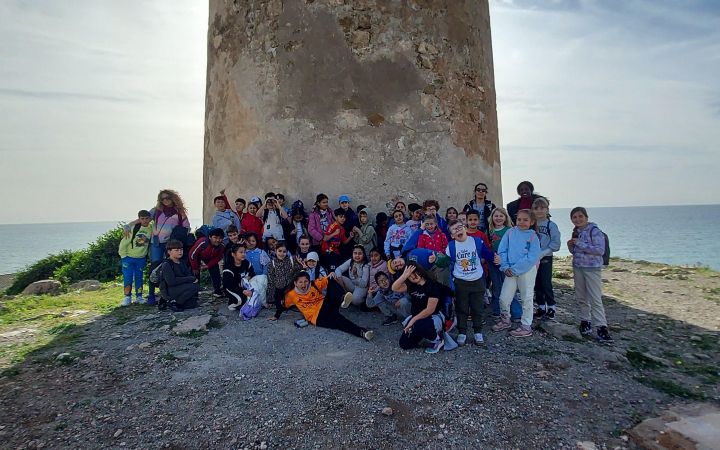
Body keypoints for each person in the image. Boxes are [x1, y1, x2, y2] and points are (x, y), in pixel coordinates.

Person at [124, 189, 191, 306]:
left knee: (168, 268)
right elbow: (143, 219)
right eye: (162, 199)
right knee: (154, 267)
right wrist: (129, 225)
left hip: (169, 245)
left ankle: (165, 294)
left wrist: (177, 240)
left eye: (167, 198)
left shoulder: (180, 213)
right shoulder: (156, 211)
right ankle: (151, 294)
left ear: (173, 198)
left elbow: (187, 228)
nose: (165, 200)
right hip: (156, 243)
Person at [271, 271, 375, 341]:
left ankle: (342, 298)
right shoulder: (291, 295)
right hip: (317, 317)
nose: (303, 284)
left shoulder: (314, 284)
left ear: (309, 281)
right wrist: (276, 316)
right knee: (341, 322)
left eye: (306, 281)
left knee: (330, 280)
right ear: (295, 283)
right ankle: (362, 332)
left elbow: (327, 279)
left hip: (326, 305)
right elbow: (283, 306)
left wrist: (332, 274)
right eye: (300, 282)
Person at [445, 220, 499, 346]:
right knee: (461, 308)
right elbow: (445, 262)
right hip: (460, 282)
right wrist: (436, 260)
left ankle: (478, 331)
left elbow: (486, 252)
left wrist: (494, 258)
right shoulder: (451, 246)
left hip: (477, 281)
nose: (458, 230)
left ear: (465, 228)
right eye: (454, 229)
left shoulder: (476, 241)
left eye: (460, 227)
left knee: (477, 308)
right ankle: (462, 332)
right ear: (452, 235)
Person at [492, 209, 541, 337]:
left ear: (532, 222)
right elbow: (503, 250)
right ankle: (505, 320)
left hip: (526, 271)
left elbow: (532, 257)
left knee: (526, 298)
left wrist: (515, 269)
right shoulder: (510, 232)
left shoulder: (533, 236)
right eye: (519, 219)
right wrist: (505, 266)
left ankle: (526, 325)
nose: (522, 222)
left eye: (525, 220)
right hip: (509, 271)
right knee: (504, 298)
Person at [568, 207, 613, 343]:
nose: (578, 219)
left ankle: (601, 327)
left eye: (580, 216)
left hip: (592, 268)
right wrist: (571, 245)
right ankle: (585, 321)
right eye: (574, 217)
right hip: (578, 267)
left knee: (595, 298)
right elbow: (575, 251)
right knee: (581, 297)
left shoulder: (595, 231)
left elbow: (600, 250)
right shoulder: (576, 232)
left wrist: (580, 243)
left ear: (586, 217)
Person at [391, 263, 449, 353]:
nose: (413, 276)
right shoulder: (411, 286)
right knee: (404, 344)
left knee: (418, 325)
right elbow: (394, 288)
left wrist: (412, 321)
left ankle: (438, 340)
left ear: (420, 271)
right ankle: (424, 334)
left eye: (414, 272)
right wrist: (404, 275)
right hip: (417, 318)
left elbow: (430, 310)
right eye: (409, 276)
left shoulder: (433, 285)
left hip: (433, 317)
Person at [487, 207, 522, 321]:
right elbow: (488, 246)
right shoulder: (489, 230)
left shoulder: (510, 230)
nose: (498, 218)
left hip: (506, 262)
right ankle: (498, 311)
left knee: (509, 287)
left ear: (505, 217)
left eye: (501, 216)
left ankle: (516, 312)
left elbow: (514, 247)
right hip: (493, 262)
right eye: (496, 216)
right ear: (492, 217)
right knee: (496, 287)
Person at [532, 197, 561, 320]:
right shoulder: (531, 225)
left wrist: (544, 253)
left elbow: (556, 243)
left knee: (546, 283)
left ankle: (551, 307)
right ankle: (541, 306)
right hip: (533, 259)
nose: (539, 211)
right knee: (536, 283)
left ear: (547, 210)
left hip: (546, 258)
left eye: (542, 208)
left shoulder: (551, 225)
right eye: (536, 208)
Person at [118, 210, 153, 306]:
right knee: (128, 278)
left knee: (139, 278)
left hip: (141, 258)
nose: (145, 220)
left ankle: (139, 296)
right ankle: (127, 297)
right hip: (128, 258)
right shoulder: (134, 228)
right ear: (139, 219)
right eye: (142, 219)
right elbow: (123, 243)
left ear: (150, 219)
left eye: (147, 218)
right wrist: (123, 256)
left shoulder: (151, 228)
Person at [160, 239, 200, 312]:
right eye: (176, 250)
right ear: (169, 252)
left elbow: (188, 274)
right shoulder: (167, 264)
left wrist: (192, 279)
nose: (180, 252)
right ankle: (174, 302)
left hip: (180, 287)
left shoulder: (182, 262)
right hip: (170, 289)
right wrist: (190, 279)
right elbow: (171, 281)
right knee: (195, 287)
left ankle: (177, 302)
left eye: (181, 249)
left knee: (192, 304)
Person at [188, 228, 226, 297]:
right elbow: (192, 254)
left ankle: (217, 291)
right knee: (195, 274)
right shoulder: (202, 242)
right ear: (210, 237)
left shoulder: (222, 246)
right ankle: (194, 294)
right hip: (197, 256)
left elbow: (218, 257)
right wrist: (195, 268)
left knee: (215, 271)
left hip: (210, 257)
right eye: (215, 237)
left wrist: (207, 266)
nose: (217, 240)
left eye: (220, 238)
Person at [223, 242, 256, 310]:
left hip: (243, 286)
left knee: (253, 296)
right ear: (233, 254)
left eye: (244, 252)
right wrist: (243, 291)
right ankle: (232, 304)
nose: (243, 254)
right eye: (241, 252)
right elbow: (229, 285)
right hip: (231, 288)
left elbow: (252, 272)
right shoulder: (228, 268)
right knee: (240, 300)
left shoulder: (245, 262)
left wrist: (248, 277)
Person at [266, 242, 299, 311]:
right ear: (275, 251)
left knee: (290, 304)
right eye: (279, 251)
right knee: (280, 306)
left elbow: (298, 272)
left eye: (284, 251)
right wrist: (270, 300)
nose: (282, 253)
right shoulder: (272, 263)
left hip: (290, 288)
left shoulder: (291, 260)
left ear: (287, 252)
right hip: (279, 289)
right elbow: (271, 281)